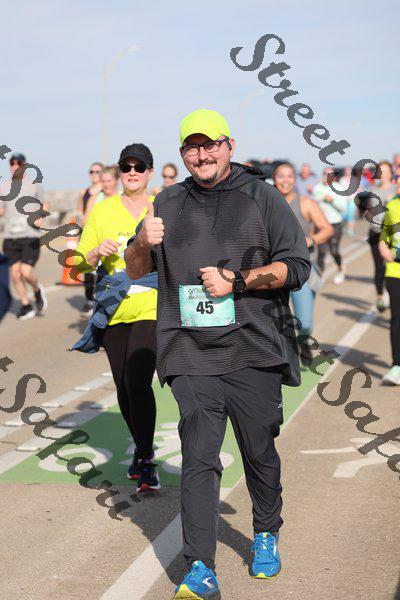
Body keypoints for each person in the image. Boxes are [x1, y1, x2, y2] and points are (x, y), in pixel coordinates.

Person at [125, 109, 310, 599]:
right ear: (182, 153)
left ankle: (266, 530)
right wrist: (141, 242)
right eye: (192, 146)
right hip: (189, 349)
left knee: (258, 448)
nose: (202, 154)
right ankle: (200, 567)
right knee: (198, 456)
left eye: (210, 145)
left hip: (254, 346)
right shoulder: (166, 201)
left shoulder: (262, 196)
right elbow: (135, 268)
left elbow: (297, 266)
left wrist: (239, 281)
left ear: (230, 145)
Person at [75, 144, 159, 493]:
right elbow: (79, 262)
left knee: (138, 381)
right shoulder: (103, 210)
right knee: (123, 386)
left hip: (151, 304)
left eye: (140, 167)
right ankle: (141, 448)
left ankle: (146, 458)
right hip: (114, 306)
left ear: (150, 171)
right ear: (120, 172)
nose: (133, 172)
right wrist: (96, 251)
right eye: (127, 167)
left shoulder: (162, 205)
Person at [272, 162, 332, 366]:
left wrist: (311, 240)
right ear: (274, 179)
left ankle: (304, 341)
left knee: (304, 323)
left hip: (301, 270)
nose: (285, 180)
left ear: (295, 179)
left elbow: (327, 229)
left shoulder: (306, 203)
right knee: (274, 323)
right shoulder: (266, 203)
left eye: (289, 176)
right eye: (281, 176)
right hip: (273, 270)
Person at [0, 153, 48, 320]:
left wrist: (41, 217)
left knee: (26, 272)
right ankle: (26, 305)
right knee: (15, 274)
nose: (15, 166)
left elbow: (44, 203)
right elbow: (1, 210)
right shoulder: (4, 187)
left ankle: (36, 289)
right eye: (12, 163)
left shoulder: (34, 185)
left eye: (18, 163)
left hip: (30, 236)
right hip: (10, 237)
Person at [366, 161, 396, 311]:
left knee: (392, 266)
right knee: (379, 267)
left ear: (391, 173)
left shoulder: (396, 190)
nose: (383, 174)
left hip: (393, 234)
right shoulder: (372, 190)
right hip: (376, 232)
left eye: (386, 171)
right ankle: (380, 296)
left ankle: (393, 295)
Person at [379, 194, 400, 384]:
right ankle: (397, 366)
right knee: (397, 319)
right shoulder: (392, 205)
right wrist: (383, 246)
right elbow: (385, 233)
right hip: (395, 270)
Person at [313, 167, 347, 284]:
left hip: (335, 223)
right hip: (320, 223)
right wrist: (322, 197)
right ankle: (320, 274)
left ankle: (341, 269)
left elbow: (343, 208)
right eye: (324, 173)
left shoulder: (339, 188)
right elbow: (314, 202)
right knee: (321, 251)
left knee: (333, 250)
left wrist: (332, 201)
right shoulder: (317, 188)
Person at [77, 162, 103, 317]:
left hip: (102, 233)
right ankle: (88, 300)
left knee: (101, 268)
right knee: (87, 266)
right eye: (91, 171)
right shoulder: (84, 192)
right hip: (87, 231)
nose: (94, 174)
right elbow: (80, 211)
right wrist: (82, 218)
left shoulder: (106, 191)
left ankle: (100, 299)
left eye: (97, 171)